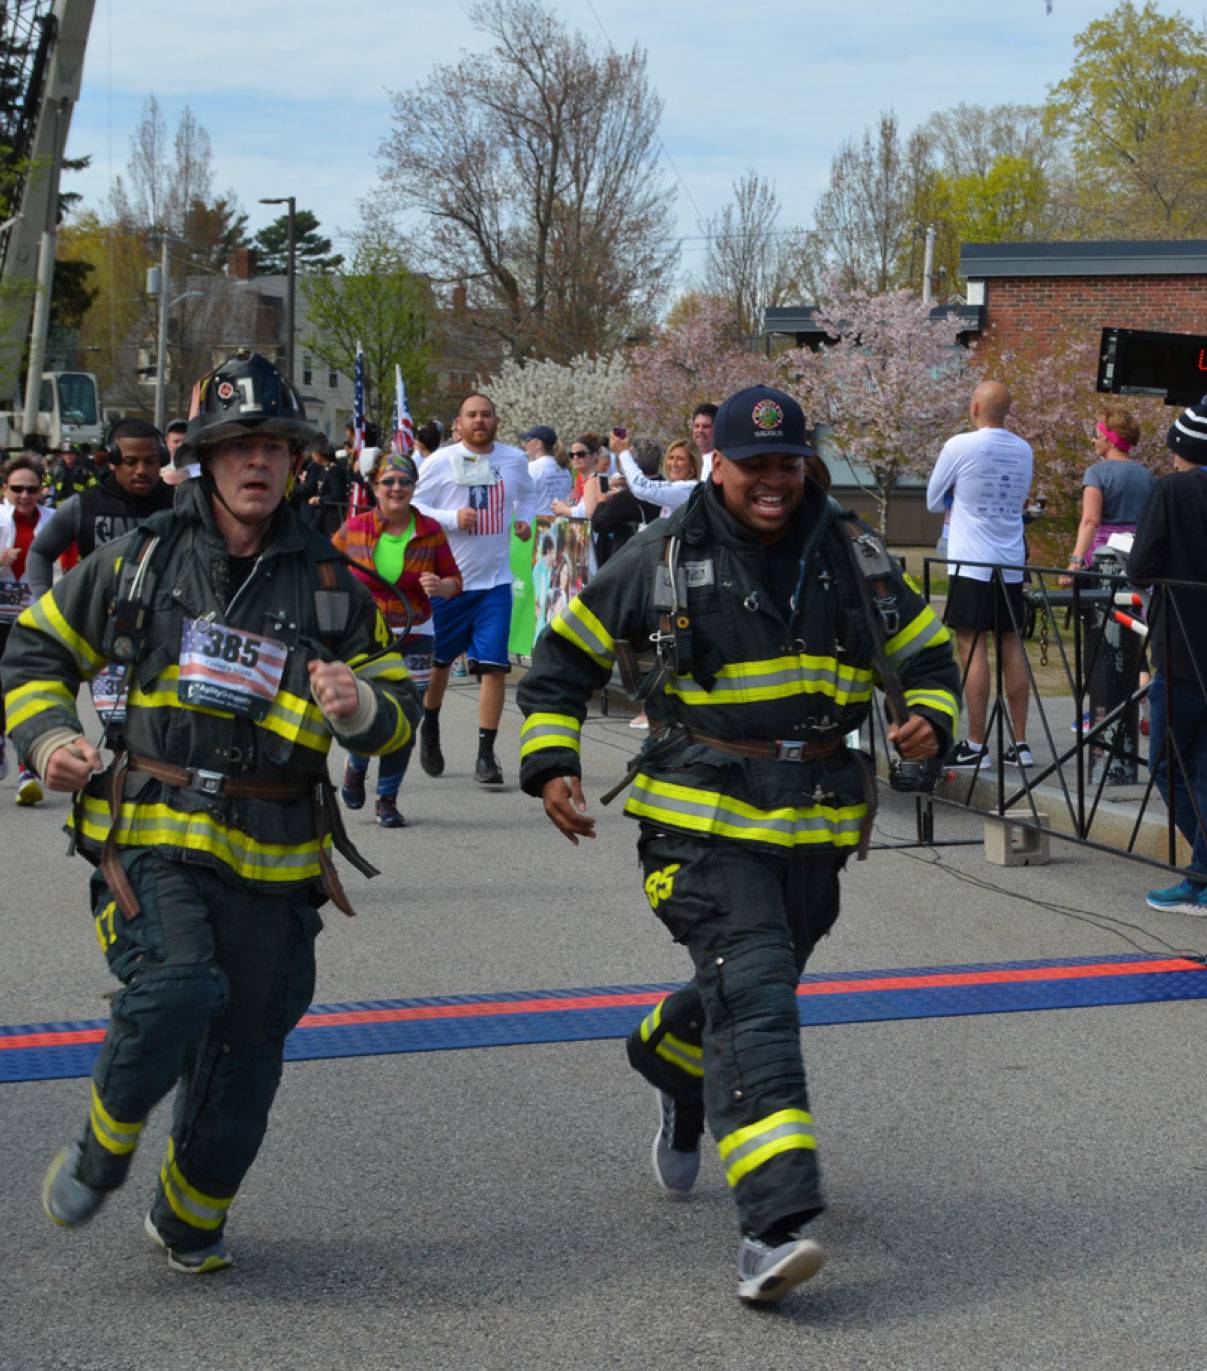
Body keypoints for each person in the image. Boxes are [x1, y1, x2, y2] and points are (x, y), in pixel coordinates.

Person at [517, 384, 959, 1304]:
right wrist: (550, 761)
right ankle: (773, 1227)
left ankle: (664, 1061)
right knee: (756, 994)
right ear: (714, 462)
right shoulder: (659, 555)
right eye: (753, 465)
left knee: (743, 994)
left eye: (786, 464)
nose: (772, 481)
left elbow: (926, 651)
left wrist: (928, 714)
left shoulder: (854, 553)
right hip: (699, 824)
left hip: (814, 830)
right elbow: (558, 666)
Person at [3, 353, 418, 1273]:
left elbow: (399, 716)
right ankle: (104, 1144)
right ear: (207, 461)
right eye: (237, 445)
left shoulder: (333, 585)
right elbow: (33, 651)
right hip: (148, 839)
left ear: (295, 458)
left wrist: (360, 709)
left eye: (271, 443)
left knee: (246, 1067)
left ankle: (185, 1217)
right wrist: (46, 741)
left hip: (275, 864)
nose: (255, 461)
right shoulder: (137, 559)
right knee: (179, 985)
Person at [333, 450, 462, 827]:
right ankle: (356, 764)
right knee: (365, 708)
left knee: (406, 716)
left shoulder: (429, 531)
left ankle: (386, 799)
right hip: (365, 636)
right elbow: (323, 565)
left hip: (417, 630)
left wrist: (441, 585)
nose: (396, 488)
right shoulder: (354, 529)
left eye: (404, 481)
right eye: (388, 481)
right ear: (374, 487)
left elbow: (456, 581)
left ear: (414, 487)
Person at [413, 392, 535, 784]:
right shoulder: (440, 461)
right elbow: (415, 507)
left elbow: (528, 497)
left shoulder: (513, 459)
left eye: (486, 414)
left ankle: (486, 754)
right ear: (458, 425)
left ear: (496, 421)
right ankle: (429, 725)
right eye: (471, 415)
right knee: (440, 664)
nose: (479, 421)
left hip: (495, 581)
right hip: (451, 583)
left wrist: (525, 520)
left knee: (494, 667)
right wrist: (452, 516)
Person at [926, 380, 1034, 769]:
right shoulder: (1023, 449)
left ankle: (976, 744)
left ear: (974, 408)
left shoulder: (960, 445)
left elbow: (933, 497)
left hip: (971, 559)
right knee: (1011, 644)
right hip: (1010, 560)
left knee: (971, 648)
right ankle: (1020, 744)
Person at [1127, 397, 1207, 914]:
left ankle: (1202, 871)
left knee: (1166, 763)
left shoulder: (1171, 490)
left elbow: (1140, 567)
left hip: (1181, 648)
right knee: (1204, 770)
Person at [26, 419, 174, 599]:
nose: (141, 470)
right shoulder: (83, 505)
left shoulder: (179, 505)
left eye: (150, 461)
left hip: (159, 619)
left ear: (163, 460)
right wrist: (43, 601)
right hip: (93, 619)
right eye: (131, 462)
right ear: (113, 461)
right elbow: (39, 553)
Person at [0, 454, 53, 795]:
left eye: (31, 489)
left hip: (32, 620)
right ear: (5, 489)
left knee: (26, 693)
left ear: (41, 490)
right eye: (17, 488)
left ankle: (26, 771)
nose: (24, 495)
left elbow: (74, 564)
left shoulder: (53, 521)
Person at [1064, 406, 1154, 577]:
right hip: (1137, 554)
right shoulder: (1148, 476)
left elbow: (1091, 521)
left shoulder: (1097, 473)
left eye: (1097, 436)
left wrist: (1075, 562)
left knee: (1100, 601)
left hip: (1105, 556)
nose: (1093, 441)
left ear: (1109, 439)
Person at [616, 436, 702, 517]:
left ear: (692, 465)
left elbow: (642, 487)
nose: (674, 464)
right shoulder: (678, 486)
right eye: (671, 458)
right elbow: (642, 490)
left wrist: (623, 453)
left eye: (680, 459)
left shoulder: (687, 489)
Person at [520, 424, 572, 515]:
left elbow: (520, 500)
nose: (525, 445)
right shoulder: (564, 469)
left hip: (538, 524)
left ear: (538, 444)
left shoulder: (532, 468)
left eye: (527, 441)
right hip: (561, 523)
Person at [691, 401, 718, 479]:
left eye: (706, 426)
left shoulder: (722, 462)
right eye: (697, 426)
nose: (700, 430)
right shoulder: (682, 460)